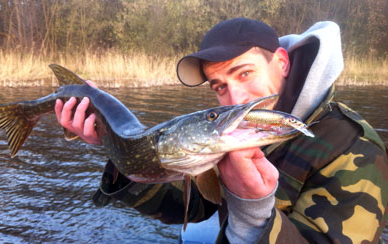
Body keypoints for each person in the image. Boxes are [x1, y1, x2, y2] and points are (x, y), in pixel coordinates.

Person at [54, 18, 388, 243]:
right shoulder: (226, 135)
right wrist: (114, 148)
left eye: (244, 74)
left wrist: (252, 209)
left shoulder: (354, 149)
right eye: (219, 86)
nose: (235, 98)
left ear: (282, 62)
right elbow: (195, 208)